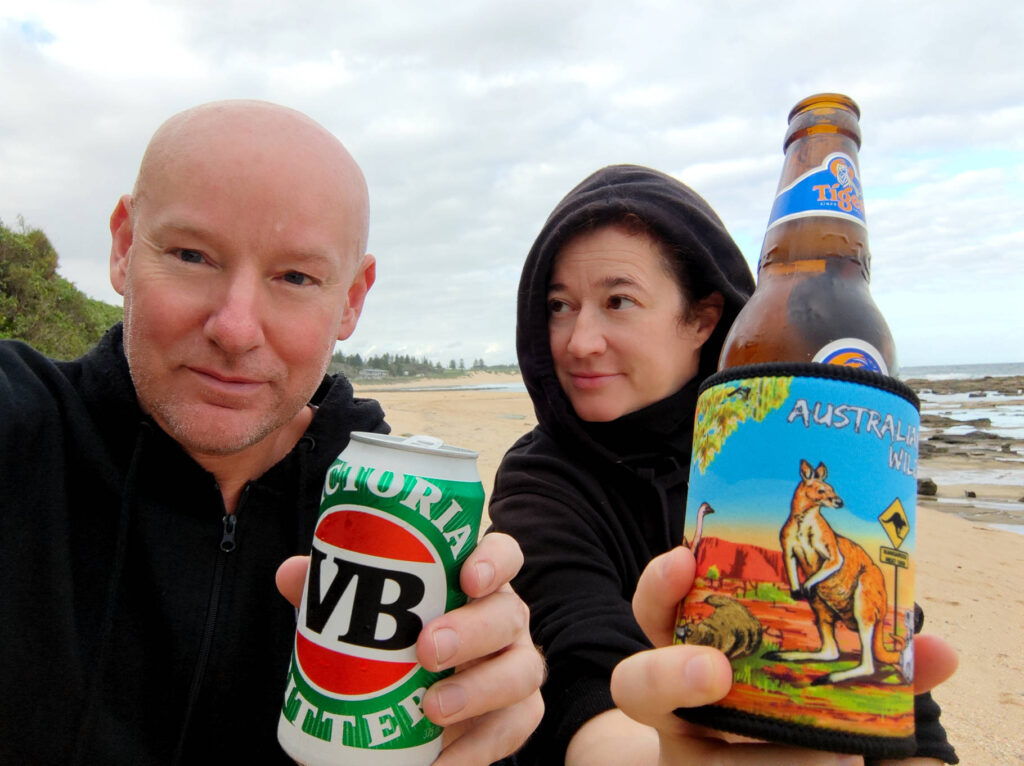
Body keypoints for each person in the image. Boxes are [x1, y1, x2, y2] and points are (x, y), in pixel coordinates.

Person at [0, 100, 542, 765]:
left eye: (295, 277)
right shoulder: (22, 429)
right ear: (122, 247)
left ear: (351, 300)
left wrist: (481, 713)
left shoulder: (390, 522)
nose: (235, 327)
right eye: (192, 254)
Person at [488, 164, 959, 765]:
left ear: (703, 319)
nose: (579, 341)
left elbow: (909, 719)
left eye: (618, 301)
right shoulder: (541, 482)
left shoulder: (777, 458)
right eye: (559, 305)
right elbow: (581, 674)